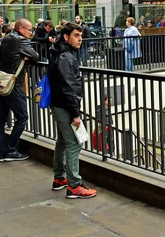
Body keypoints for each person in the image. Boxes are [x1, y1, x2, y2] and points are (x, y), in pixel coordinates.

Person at [48, 22, 97, 199]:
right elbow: (69, 87)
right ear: (66, 37)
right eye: (76, 35)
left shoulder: (60, 52)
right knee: (74, 144)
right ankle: (74, 186)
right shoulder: (65, 57)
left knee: (62, 141)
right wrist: (76, 113)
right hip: (65, 105)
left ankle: (60, 178)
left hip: (60, 103)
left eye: (81, 35)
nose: (80, 39)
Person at [0, 19, 40, 162]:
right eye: (29, 30)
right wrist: (26, 58)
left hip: (1, 81)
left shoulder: (5, 38)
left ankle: (1, 153)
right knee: (22, 117)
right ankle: (11, 149)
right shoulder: (21, 40)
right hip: (14, 84)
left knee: (0, 119)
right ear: (21, 29)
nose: (31, 33)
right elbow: (36, 57)